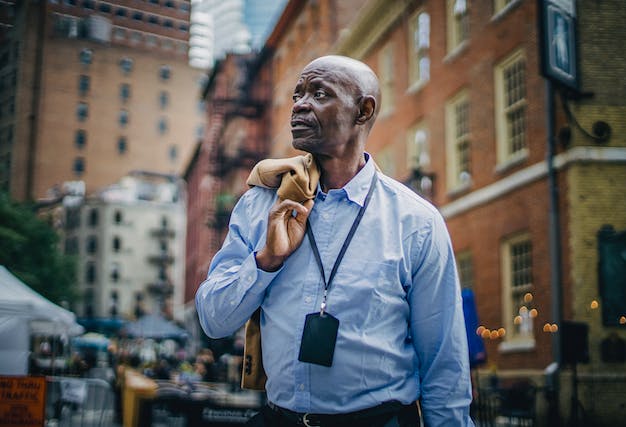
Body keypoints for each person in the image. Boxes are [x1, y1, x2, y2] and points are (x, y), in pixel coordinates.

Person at [196, 55, 474, 427]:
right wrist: (266, 261)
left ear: (363, 110)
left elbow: (444, 362)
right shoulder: (259, 204)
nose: (300, 104)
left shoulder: (417, 223)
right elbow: (213, 320)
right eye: (298, 94)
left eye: (319, 93)